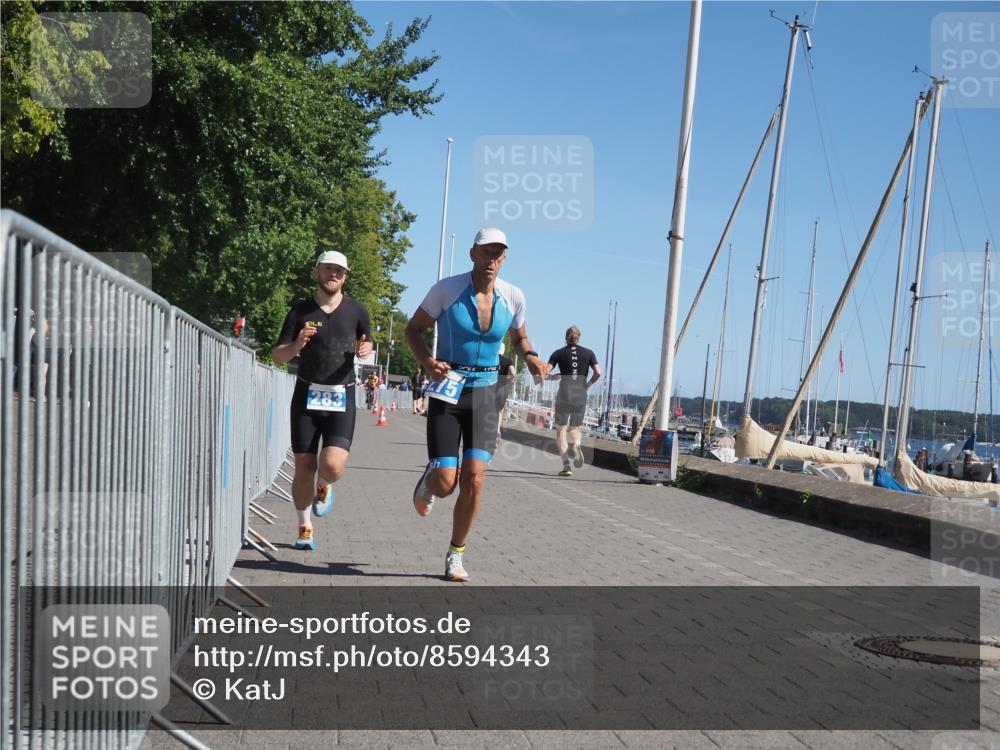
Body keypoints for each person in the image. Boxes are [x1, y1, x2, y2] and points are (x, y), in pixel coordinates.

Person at [405, 228, 546, 581]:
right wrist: (428, 362)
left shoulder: (513, 296)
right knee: (445, 483)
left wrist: (531, 356)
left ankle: (456, 553)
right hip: (448, 389)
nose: (491, 260)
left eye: (498, 254)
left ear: (505, 258)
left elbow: (520, 336)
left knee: (476, 480)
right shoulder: (447, 290)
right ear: (472, 254)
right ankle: (430, 482)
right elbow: (413, 330)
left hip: (485, 393)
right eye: (486, 252)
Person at [272, 249, 372, 551]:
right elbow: (277, 356)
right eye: (328, 269)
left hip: (341, 396)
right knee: (304, 466)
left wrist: (366, 350)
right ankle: (304, 527)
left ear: (345, 277)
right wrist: (298, 344)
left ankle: (325, 484)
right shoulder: (300, 311)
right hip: (306, 395)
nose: (333, 274)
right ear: (317, 271)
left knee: (332, 465)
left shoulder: (357, 311)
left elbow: (366, 342)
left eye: (339, 271)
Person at [546, 326, 601, 477]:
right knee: (575, 429)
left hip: (564, 394)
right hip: (580, 394)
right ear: (579, 338)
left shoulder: (558, 353)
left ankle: (566, 466)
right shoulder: (589, 353)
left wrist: (553, 377)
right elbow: (598, 372)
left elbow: (544, 372)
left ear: (566, 338)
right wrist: (588, 384)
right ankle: (576, 445)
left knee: (561, 431)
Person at [494, 342, 516, 444]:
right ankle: (497, 430)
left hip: (490, 388)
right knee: (499, 411)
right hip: (502, 389)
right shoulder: (508, 361)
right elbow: (513, 374)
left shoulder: (492, 359)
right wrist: (509, 380)